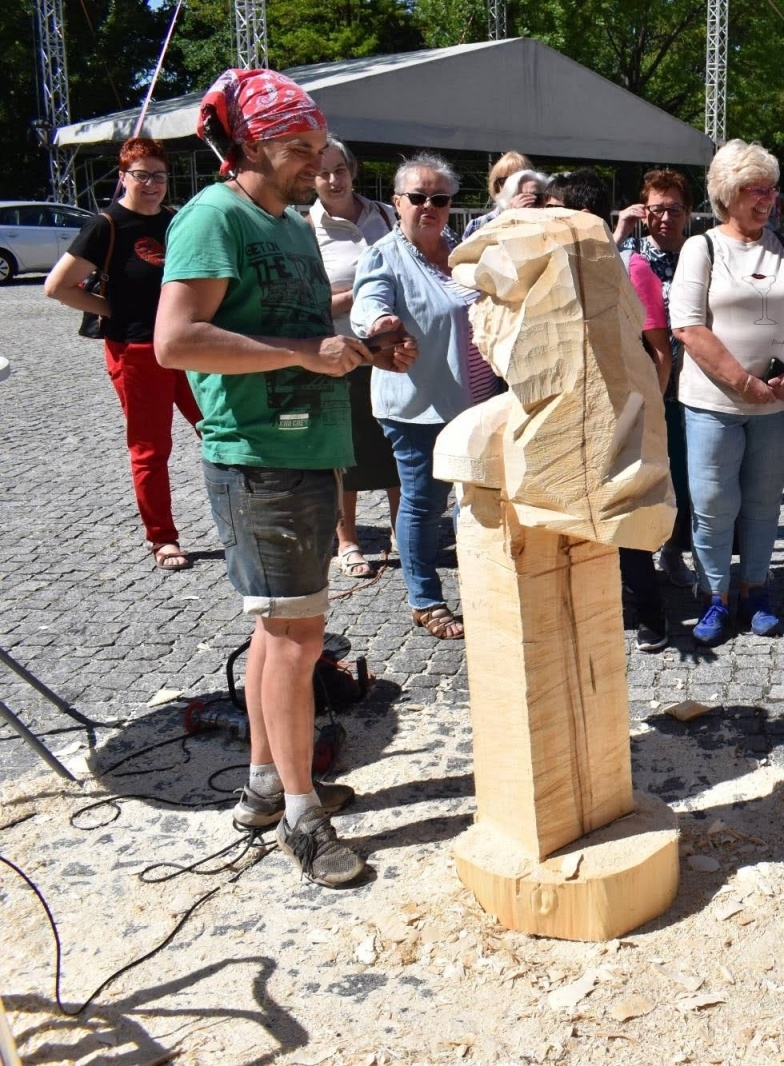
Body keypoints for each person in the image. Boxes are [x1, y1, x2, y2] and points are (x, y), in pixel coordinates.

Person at [155, 69, 413, 887]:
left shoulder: (293, 225)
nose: (317, 159)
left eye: (317, 145)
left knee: (282, 637)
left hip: (304, 448)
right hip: (257, 454)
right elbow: (177, 340)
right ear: (253, 146)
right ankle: (300, 816)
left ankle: (268, 787)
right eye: (301, 147)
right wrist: (305, 353)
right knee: (297, 642)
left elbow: (302, 327)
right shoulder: (213, 217)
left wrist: (365, 336)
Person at [669, 140, 784, 646]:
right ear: (727, 194)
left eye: (770, 189)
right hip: (713, 403)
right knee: (713, 502)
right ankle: (715, 595)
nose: (766, 200)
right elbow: (688, 327)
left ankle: (756, 588)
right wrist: (742, 382)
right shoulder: (702, 246)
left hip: (777, 402)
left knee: (762, 501)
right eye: (755, 190)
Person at [352, 152, 502, 642]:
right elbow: (369, 302)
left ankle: (483, 584)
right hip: (420, 405)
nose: (428, 206)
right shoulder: (384, 254)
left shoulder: (460, 251)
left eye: (439, 198)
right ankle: (425, 598)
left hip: (475, 403)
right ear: (397, 202)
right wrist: (381, 326)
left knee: (474, 500)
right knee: (422, 503)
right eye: (417, 197)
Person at [45, 136, 202, 571]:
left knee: (217, 430)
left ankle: (242, 518)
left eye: (159, 175)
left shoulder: (176, 222)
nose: (151, 184)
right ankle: (163, 537)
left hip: (187, 347)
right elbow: (57, 287)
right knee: (151, 449)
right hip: (135, 351)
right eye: (141, 175)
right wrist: (112, 310)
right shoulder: (106, 225)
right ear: (123, 178)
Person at [561, 169, 675, 650]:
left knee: (626, 518)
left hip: (623, 414)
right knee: (576, 520)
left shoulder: (633, 269)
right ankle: (590, 610)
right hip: (569, 415)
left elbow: (660, 352)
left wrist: (647, 414)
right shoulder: (552, 273)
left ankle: (652, 615)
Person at [310, 135, 401, 579]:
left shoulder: (383, 215)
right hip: (341, 354)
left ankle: (401, 529)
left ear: (353, 170)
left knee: (396, 442)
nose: (332, 179)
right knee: (343, 451)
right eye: (322, 171)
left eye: (339, 169)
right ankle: (347, 541)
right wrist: (359, 296)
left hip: (390, 348)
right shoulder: (305, 227)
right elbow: (309, 305)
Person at [615, 168, 697, 589]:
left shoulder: (700, 255)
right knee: (640, 474)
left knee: (681, 476)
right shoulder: (629, 256)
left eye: (675, 210)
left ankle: (674, 550)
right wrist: (621, 229)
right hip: (639, 384)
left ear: (689, 213)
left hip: (689, 385)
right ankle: (636, 557)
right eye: (656, 209)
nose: (665, 218)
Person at [461, 152, 541, 238]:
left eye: (521, 179)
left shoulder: (544, 220)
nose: (513, 185)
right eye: (505, 180)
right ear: (496, 186)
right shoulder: (477, 225)